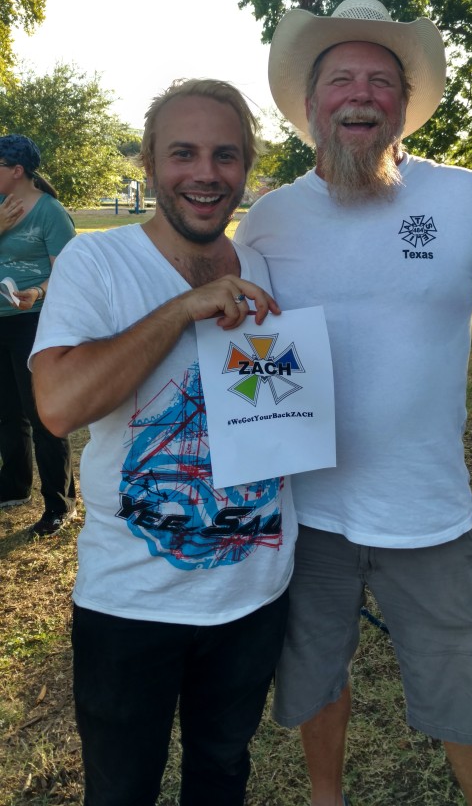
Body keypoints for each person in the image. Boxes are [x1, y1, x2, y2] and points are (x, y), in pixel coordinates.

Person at [235, 0, 472, 806]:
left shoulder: (460, 198)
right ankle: (328, 800)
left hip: (428, 509)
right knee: (314, 676)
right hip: (306, 508)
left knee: (466, 686)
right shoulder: (271, 220)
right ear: (311, 105)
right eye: (342, 78)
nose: (362, 94)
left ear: (402, 107)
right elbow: (242, 356)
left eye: (382, 80)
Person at [30, 78, 297, 806]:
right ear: (149, 162)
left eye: (226, 155)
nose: (205, 174)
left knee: (222, 772)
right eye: (183, 153)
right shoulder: (98, 263)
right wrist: (182, 309)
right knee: (121, 790)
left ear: (247, 166)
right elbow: (57, 406)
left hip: (253, 593)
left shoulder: (267, 268)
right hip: (132, 601)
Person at [0, 134, 76, 536]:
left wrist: (38, 291)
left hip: (34, 322)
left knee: (42, 412)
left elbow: (67, 272)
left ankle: (59, 502)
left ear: (16, 171)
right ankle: (13, 485)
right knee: (7, 412)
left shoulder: (50, 212)